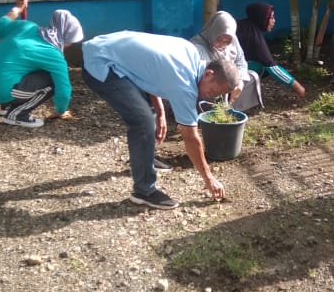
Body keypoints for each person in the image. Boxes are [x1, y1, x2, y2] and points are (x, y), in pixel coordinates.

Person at [81, 30, 238, 210]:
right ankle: (144, 191)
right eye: (212, 92)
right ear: (209, 74)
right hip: (100, 62)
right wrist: (209, 178)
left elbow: (150, 73)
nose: (209, 97)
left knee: (148, 114)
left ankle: (143, 158)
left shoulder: (191, 52)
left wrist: (160, 110)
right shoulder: (185, 85)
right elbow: (190, 136)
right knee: (142, 121)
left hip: (107, 48)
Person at [0, 0, 82, 128]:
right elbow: (63, 89)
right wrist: (61, 111)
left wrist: (17, 9)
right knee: (52, 82)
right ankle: (18, 115)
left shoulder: (26, 26)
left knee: (23, 66)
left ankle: (6, 106)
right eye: (71, 41)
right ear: (64, 36)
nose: (70, 45)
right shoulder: (54, 55)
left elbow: (0, 25)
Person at [191, 11, 262, 112]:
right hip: (211, 84)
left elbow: (241, 61)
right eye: (219, 39)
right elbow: (205, 77)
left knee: (252, 76)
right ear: (214, 31)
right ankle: (214, 111)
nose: (222, 44)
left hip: (228, 80)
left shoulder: (232, 39)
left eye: (227, 41)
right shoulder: (197, 47)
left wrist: (239, 81)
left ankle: (231, 107)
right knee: (212, 90)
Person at [235, 2, 306, 98]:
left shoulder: (245, 25)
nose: (274, 21)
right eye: (271, 18)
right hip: (231, 71)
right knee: (264, 67)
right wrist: (298, 87)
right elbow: (272, 67)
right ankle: (242, 95)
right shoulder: (254, 37)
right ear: (261, 18)